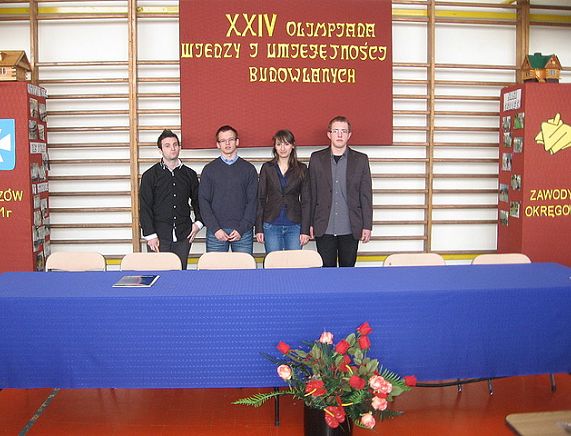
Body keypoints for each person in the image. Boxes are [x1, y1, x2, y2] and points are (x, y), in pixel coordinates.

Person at [309, 116, 373, 267]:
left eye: (343, 131)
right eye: (335, 131)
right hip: (324, 227)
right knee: (327, 273)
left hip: (351, 227)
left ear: (349, 135)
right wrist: (309, 224)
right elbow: (311, 194)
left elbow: (366, 195)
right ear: (329, 134)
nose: (339, 135)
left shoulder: (361, 160)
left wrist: (367, 225)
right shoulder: (316, 159)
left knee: (348, 272)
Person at [139, 129, 202, 269]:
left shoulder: (189, 174)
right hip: (158, 236)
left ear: (179, 147)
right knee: (159, 274)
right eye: (167, 145)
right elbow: (145, 207)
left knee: (180, 273)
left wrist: (198, 224)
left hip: (183, 235)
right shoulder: (149, 176)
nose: (172, 148)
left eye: (175, 145)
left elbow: (198, 201)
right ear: (160, 150)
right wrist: (150, 235)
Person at [198, 125, 258, 253]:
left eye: (231, 139)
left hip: (243, 233)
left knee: (244, 266)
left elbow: (253, 202)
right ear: (218, 145)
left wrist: (242, 229)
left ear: (237, 142)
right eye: (223, 140)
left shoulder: (249, 169)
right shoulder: (209, 170)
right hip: (216, 233)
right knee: (215, 266)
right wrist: (215, 229)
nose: (227, 143)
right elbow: (203, 201)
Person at [255, 129, 310, 253]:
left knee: (294, 262)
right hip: (271, 224)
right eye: (279, 144)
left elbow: (306, 201)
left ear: (293, 145)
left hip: (295, 225)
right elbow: (260, 199)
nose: (282, 148)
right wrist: (258, 228)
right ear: (275, 147)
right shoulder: (267, 168)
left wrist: (305, 230)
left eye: (286, 144)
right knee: (273, 262)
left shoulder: (302, 169)